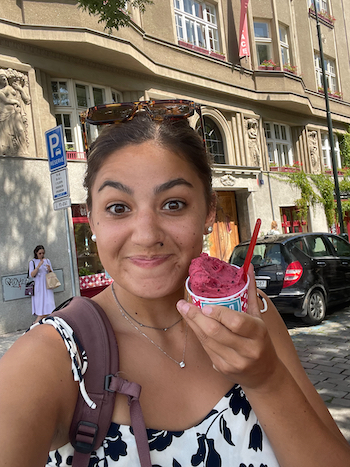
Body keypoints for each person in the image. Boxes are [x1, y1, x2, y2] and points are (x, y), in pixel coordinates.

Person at [1, 101, 350, 467]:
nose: (147, 235)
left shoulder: (253, 311)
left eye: (173, 204)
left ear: (208, 212)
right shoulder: (47, 359)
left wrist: (266, 380)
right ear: (92, 218)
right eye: (118, 208)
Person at [29, 245, 56, 324]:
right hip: (39, 287)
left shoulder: (47, 260)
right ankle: (36, 323)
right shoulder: (32, 262)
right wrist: (38, 266)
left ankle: (37, 323)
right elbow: (32, 275)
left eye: (43, 253)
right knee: (41, 304)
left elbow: (52, 273)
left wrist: (49, 269)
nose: (41, 255)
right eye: (40, 253)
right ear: (36, 253)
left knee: (49, 303)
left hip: (47, 285)